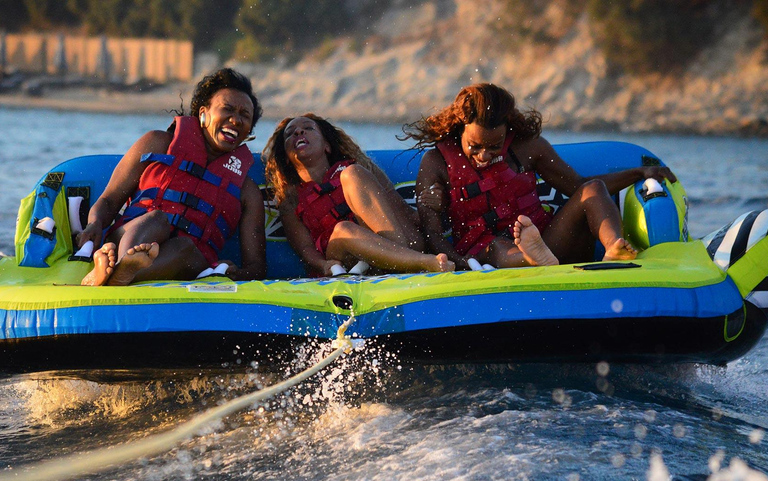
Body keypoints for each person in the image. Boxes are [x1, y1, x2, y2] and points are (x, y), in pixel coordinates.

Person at [401, 83, 677, 270]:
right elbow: (432, 235)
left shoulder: (529, 147)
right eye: (475, 147)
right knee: (496, 247)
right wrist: (458, 260)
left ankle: (614, 249)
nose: (484, 155)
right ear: (460, 127)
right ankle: (532, 259)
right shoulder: (436, 162)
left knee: (592, 188)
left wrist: (639, 172)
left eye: (494, 146)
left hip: (549, 241)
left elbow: (578, 187)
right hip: (486, 253)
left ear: (508, 130)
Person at [78, 68, 267, 285]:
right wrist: (94, 223)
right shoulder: (157, 143)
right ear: (203, 113)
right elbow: (109, 200)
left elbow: (257, 267)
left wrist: (237, 274)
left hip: (184, 262)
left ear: (248, 132)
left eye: (245, 116)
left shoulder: (247, 191)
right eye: (228, 109)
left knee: (185, 247)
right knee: (156, 219)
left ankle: (117, 276)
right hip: (133, 235)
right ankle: (125, 264)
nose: (235, 120)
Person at [262, 113, 455, 276]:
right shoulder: (290, 199)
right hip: (345, 260)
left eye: (309, 128)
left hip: (400, 242)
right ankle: (417, 263)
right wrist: (323, 265)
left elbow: (404, 212)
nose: (298, 132)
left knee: (352, 173)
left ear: (327, 146)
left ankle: (403, 261)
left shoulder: (359, 169)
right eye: (290, 134)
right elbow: (305, 249)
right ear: (286, 158)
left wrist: (437, 205)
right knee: (343, 229)